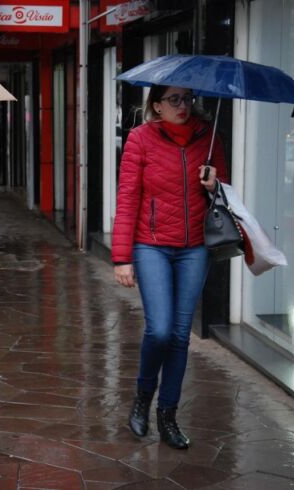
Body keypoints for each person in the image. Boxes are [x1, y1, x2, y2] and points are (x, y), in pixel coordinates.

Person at [112, 85, 227, 450]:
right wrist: (122, 257)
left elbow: (225, 193)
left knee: (180, 335)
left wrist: (214, 184)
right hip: (152, 247)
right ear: (156, 106)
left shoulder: (207, 138)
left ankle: (168, 415)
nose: (183, 106)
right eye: (173, 100)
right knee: (159, 330)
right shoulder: (140, 139)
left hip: (195, 248)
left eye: (187, 99)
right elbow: (128, 196)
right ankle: (143, 396)